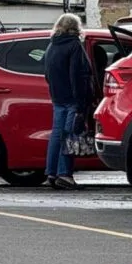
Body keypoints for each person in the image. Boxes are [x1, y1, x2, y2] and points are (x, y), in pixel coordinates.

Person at [43, 13, 91, 190]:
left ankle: (51, 172)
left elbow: (47, 74)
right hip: (72, 98)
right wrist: (82, 103)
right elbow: (77, 75)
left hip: (57, 97)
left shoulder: (52, 45)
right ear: (76, 28)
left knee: (57, 135)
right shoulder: (74, 45)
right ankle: (64, 175)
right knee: (69, 136)